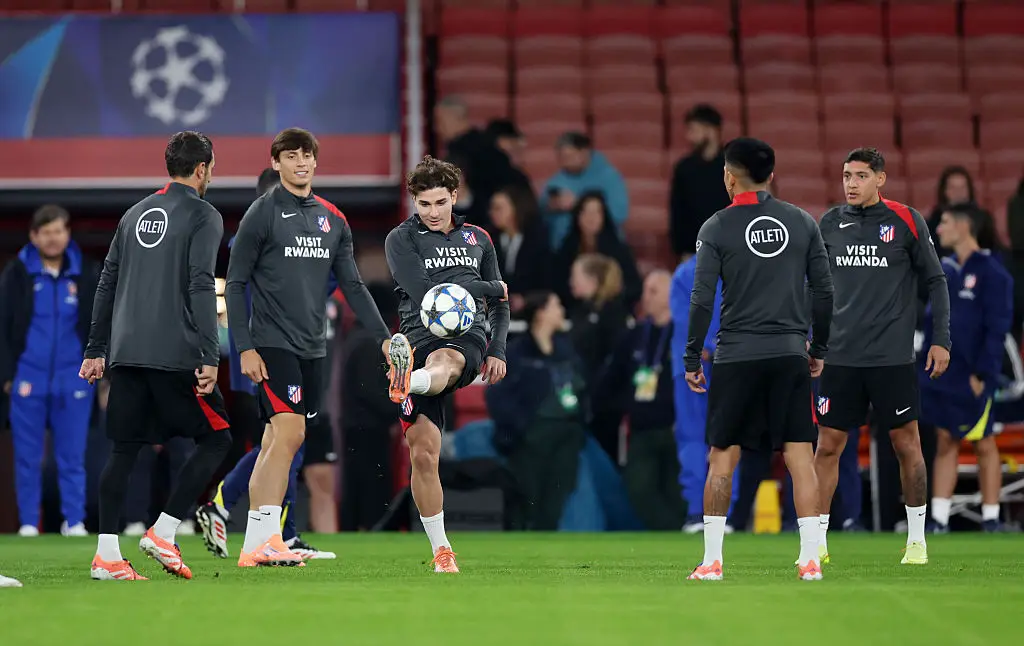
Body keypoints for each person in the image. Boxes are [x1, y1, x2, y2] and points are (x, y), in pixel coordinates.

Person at [225, 128, 390, 567]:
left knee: (275, 439)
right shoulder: (260, 215)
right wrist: (244, 347)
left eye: (307, 156)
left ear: (316, 162)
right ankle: (267, 537)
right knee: (291, 433)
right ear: (275, 163)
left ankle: (256, 544)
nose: (301, 163)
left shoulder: (333, 219)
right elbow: (236, 282)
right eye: (291, 156)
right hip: (271, 343)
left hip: (313, 347)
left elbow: (352, 285)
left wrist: (384, 337)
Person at [81, 131, 233, 581]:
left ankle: (107, 556)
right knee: (218, 438)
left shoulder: (134, 214)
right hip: (174, 353)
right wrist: (210, 353)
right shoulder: (204, 215)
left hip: (126, 353)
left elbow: (107, 282)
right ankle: (164, 532)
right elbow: (202, 282)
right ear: (203, 168)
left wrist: (96, 349)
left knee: (123, 450)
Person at [684, 137, 833, 581]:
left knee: (722, 457)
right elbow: (824, 292)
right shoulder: (803, 222)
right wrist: (818, 347)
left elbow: (701, 298)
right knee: (799, 457)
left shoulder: (716, 227)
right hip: (789, 352)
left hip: (736, 357)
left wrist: (693, 355)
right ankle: (810, 559)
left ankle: (712, 561)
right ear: (772, 174)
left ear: (729, 176)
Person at [815, 147, 950, 566]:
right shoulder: (829, 223)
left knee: (906, 443)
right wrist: (813, 340)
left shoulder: (907, 220)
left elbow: (936, 280)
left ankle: (916, 541)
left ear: (880, 179)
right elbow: (814, 288)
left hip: (891, 357)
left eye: (859, 176)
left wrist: (940, 338)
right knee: (828, 447)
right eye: (845, 176)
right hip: (840, 355)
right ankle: (815, 543)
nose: (851, 184)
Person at [196, 167, 335, 561]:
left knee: (280, 442)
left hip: (275, 350)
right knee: (286, 441)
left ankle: (276, 531)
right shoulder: (260, 237)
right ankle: (230, 509)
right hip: (271, 352)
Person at [384, 155, 511, 572]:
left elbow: (500, 305)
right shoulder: (401, 240)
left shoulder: (479, 239)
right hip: (416, 334)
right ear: (413, 203)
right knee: (423, 454)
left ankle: (409, 380)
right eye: (424, 205)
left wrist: (498, 349)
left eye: (440, 202)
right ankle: (442, 551)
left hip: (467, 336)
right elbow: (427, 291)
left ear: (454, 196)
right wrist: (485, 285)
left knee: (449, 358)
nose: (433, 212)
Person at [0, 205, 98, 537]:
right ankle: (29, 522)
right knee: (27, 457)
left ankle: (74, 521)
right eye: (46, 232)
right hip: (28, 377)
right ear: (33, 236)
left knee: (72, 456)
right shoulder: (16, 274)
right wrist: (7, 375)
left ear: (67, 234)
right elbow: (2, 326)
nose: (53, 238)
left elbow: (99, 325)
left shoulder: (86, 272)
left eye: (58, 231)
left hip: (75, 377)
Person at [923, 207, 1013, 532]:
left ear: (964, 226)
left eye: (945, 223)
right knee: (945, 438)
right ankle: (939, 519)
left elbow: (997, 329)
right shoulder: (942, 271)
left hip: (975, 374)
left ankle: (991, 519)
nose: (940, 228)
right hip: (944, 374)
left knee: (983, 440)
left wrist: (984, 374)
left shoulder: (993, 272)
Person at [486, 291, 586, 530]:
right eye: (556, 305)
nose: (562, 311)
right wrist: (518, 426)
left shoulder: (567, 350)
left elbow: (583, 387)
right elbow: (497, 395)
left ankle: (546, 554)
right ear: (541, 313)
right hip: (530, 437)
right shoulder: (516, 352)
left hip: (566, 433)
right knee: (526, 497)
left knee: (558, 496)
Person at [597, 271, 686, 530]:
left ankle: (681, 539)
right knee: (638, 489)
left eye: (653, 291)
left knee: (678, 492)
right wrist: (624, 406)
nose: (645, 297)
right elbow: (611, 378)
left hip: (678, 430)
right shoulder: (634, 335)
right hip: (642, 429)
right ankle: (672, 532)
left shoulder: (686, 335)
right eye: (645, 290)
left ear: (671, 296)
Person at [670, 254, 737, 532]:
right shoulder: (742, 264)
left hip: (694, 362)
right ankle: (723, 513)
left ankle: (699, 512)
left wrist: (703, 347)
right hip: (730, 360)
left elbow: (683, 317)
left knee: (696, 437)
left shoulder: (686, 273)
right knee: (727, 438)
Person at [540, 132, 629, 249]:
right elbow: (539, 212)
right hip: (560, 248)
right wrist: (552, 206)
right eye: (560, 158)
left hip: (600, 245)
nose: (564, 162)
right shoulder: (556, 180)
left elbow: (619, 213)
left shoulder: (609, 177)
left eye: (569, 157)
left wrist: (578, 204)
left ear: (585, 153)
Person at [669, 104, 732, 259]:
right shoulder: (684, 169)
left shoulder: (735, 165)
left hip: (731, 251)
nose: (689, 137)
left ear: (711, 131)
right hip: (694, 254)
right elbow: (677, 215)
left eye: (693, 130)